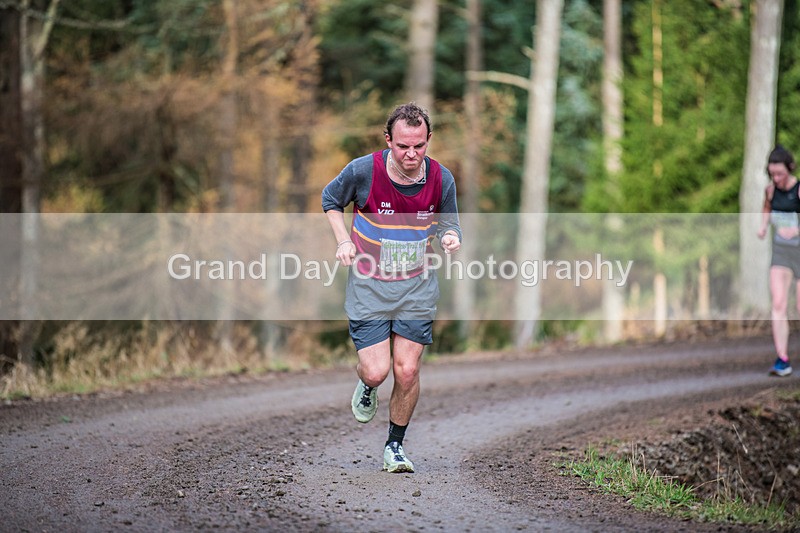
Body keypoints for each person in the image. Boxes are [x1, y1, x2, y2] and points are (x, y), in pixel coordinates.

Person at [321, 102, 462, 472]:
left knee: (408, 370)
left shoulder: (441, 178)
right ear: (388, 140)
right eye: (403, 146)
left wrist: (449, 237)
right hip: (369, 284)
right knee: (376, 371)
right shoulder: (363, 170)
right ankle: (367, 385)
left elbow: (450, 224)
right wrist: (343, 240)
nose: (411, 154)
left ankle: (394, 447)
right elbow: (330, 200)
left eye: (419, 146)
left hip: (417, 286)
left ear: (428, 140)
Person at [758, 144, 798, 377]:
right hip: (781, 251)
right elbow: (766, 209)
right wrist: (763, 227)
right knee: (779, 303)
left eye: (780, 174)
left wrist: (797, 231)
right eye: (772, 174)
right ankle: (782, 358)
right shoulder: (770, 191)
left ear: (790, 168)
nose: (776, 178)